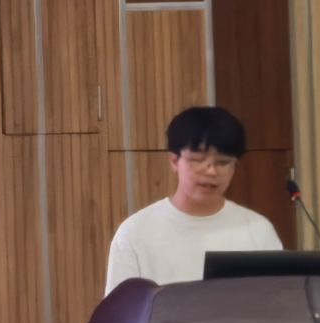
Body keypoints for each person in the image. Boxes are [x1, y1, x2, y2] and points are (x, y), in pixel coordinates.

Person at [106, 106, 281, 291]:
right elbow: (121, 308)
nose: (211, 171)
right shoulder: (135, 232)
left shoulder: (258, 230)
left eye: (223, 162)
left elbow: (279, 299)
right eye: (197, 159)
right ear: (174, 161)